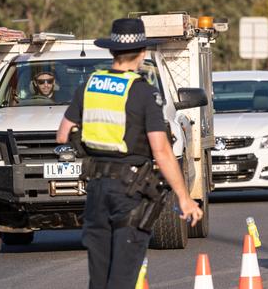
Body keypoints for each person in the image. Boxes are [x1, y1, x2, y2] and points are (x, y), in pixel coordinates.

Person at [56, 18, 202, 289]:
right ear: (143, 53)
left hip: (96, 190)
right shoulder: (144, 92)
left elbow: (63, 135)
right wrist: (184, 197)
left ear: (112, 51)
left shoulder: (89, 86)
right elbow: (161, 151)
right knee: (122, 279)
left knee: (98, 280)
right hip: (129, 193)